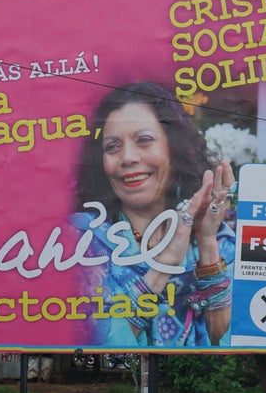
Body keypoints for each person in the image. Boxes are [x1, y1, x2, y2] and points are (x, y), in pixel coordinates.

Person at [70, 82, 236, 346]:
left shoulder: (220, 241)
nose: (128, 158)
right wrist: (165, 262)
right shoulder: (81, 241)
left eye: (144, 140)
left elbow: (226, 346)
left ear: (174, 149)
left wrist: (206, 243)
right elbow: (100, 350)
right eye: (112, 146)